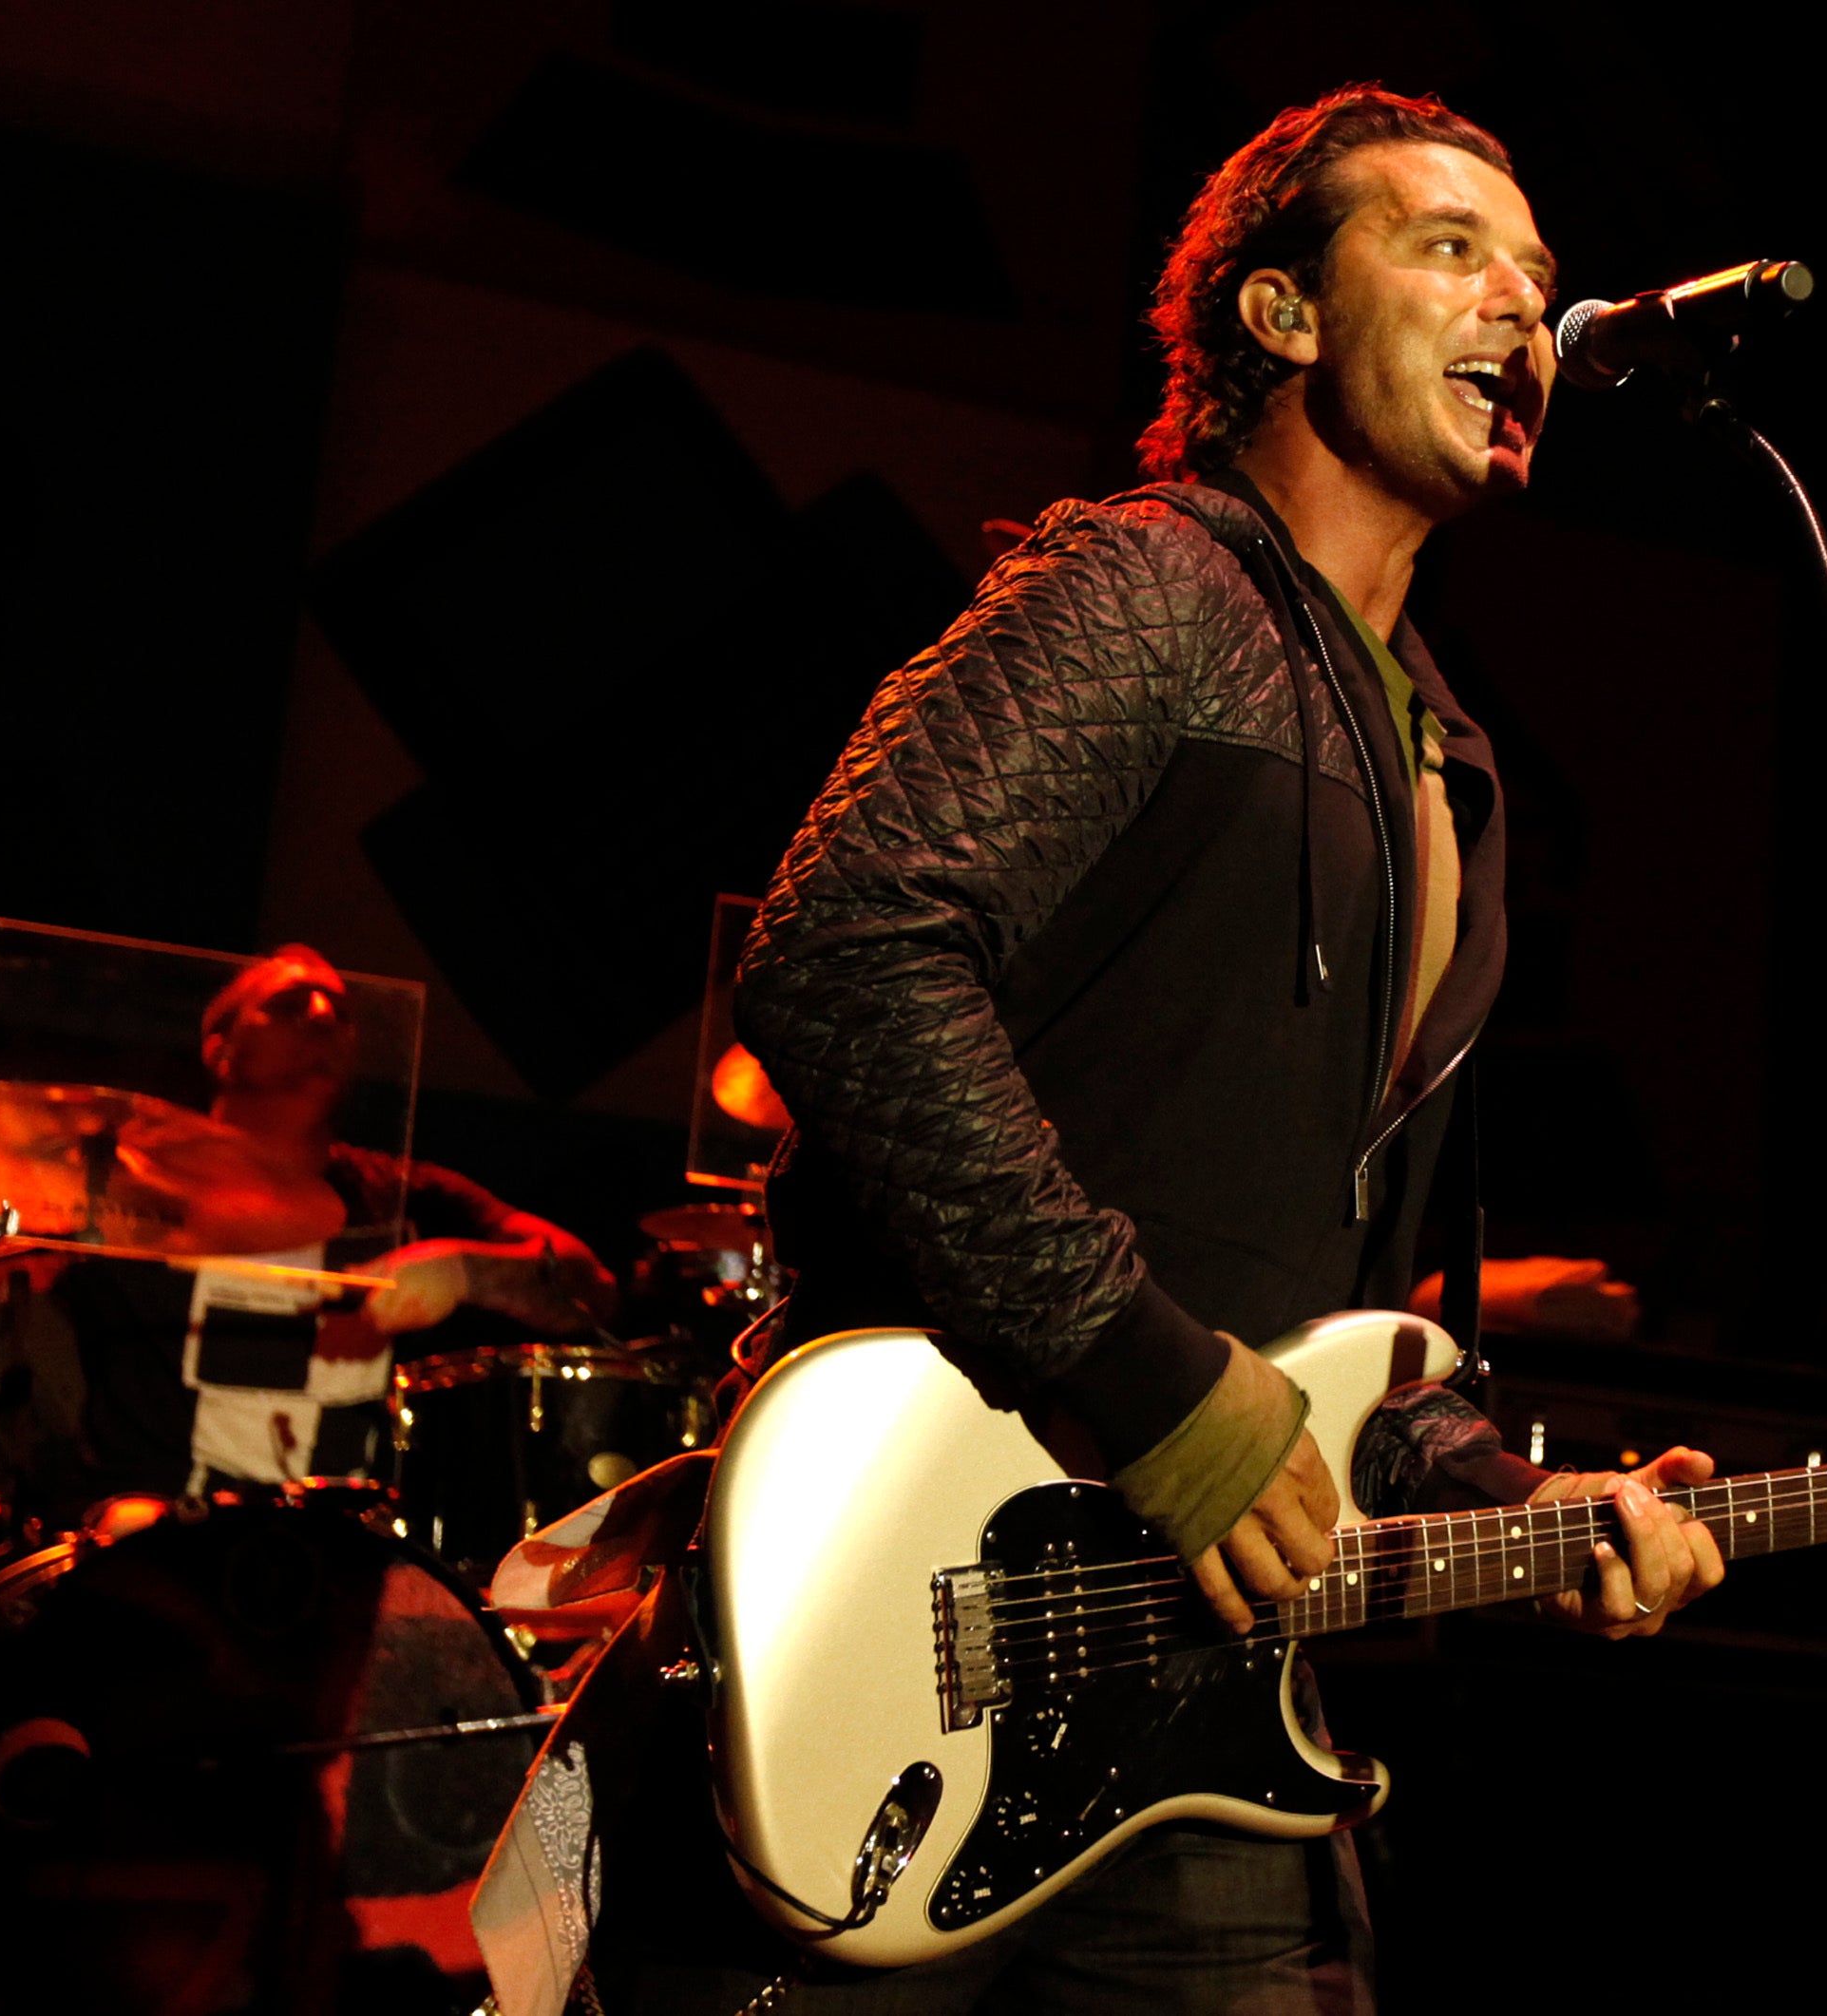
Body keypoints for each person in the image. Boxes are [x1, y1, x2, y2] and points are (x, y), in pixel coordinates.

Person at [601, 86, 1728, 2014]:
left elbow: (1324, 1303)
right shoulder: (1154, 586)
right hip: (913, 1603)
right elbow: (848, 953)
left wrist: (1499, 1497)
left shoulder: (1454, 762)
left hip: (1201, 1703)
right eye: (1451, 249)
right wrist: (1154, 1385)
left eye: (1537, 280)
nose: (1519, 310)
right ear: (1280, 316)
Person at [0, 944, 616, 1519]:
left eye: (341, 1011)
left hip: (351, 1563)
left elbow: (593, 1288)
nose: (324, 1018)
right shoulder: (116, 1185)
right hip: (149, 1545)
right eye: (288, 1004)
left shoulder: (408, 1196)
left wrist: (468, 1269)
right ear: (220, 1047)